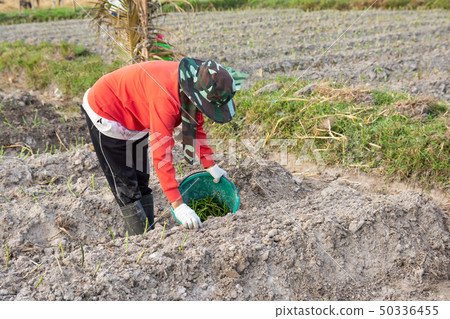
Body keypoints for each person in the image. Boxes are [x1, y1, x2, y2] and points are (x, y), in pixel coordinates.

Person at [81, 58, 247, 235]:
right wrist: (178, 205)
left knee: (141, 179)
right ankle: (141, 240)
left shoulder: (192, 84)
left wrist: (210, 164)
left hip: (137, 114)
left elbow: (195, 125)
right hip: (107, 112)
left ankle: (149, 233)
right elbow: (161, 155)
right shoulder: (165, 100)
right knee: (127, 185)